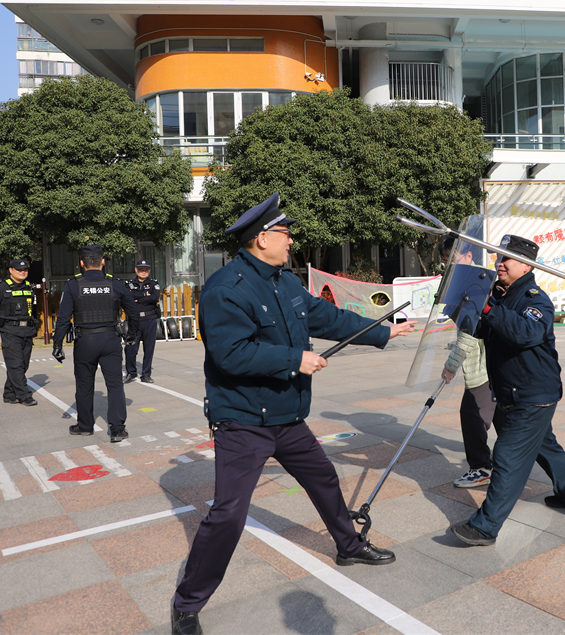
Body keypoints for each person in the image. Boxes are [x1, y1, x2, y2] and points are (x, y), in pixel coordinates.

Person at [171, 193, 417, 635]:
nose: (291, 240)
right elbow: (230, 354)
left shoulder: (284, 282)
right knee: (228, 514)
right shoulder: (225, 289)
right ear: (262, 238)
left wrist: (383, 332)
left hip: (287, 417)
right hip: (243, 421)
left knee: (323, 478)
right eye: (284, 233)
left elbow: (327, 318)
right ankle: (187, 603)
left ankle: (348, 544)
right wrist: (294, 359)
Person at [451, 235, 565, 547]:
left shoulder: (535, 299)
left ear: (526, 265)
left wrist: (488, 307)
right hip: (514, 391)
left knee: (507, 455)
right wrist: (462, 308)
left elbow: (525, 332)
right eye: (498, 257)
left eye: (506, 259)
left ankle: (485, 527)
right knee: (545, 446)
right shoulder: (502, 295)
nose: (499, 264)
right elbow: (485, 330)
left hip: (532, 394)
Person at [52, 245, 140, 442]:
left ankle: (85, 426)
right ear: (103, 262)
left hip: (85, 340)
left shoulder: (74, 285)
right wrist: (132, 334)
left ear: (82, 263)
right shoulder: (115, 284)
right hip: (110, 339)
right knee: (115, 384)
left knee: (84, 385)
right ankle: (117, 429)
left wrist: (57, 344)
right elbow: (133, 312)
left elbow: (63, 318)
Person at [439, 237, 496, 489]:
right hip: (489, 363)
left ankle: (481, 468)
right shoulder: (463, 281)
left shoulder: (476, 282)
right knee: (507, 422)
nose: (448, 265)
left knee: (471, 414)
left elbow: (468, 332)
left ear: (469, 256)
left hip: (485, 363)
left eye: (452, 259)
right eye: (444, 261)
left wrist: (451, 365)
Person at [0, 258, 40, 406]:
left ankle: (9, 393)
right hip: (10, 331)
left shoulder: (28, 286)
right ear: (10, 270)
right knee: (16, 364)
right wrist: (2, 324)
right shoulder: (0, 287)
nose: (22, 272)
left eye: (25, 270)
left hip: (27, 331)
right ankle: (24, 395)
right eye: (19, 270)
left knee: (23, 364)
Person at [123, 259, 161, 384]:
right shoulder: (129, 284)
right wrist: (145, 295)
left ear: (149, 270)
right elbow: (128, 297)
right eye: (141, 270)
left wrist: (138, 299)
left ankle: (146, 374)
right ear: (136, 270)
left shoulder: (153, 283)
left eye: (146, 270)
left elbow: (155, 297)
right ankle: (131, 372)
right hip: (134, 320)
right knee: (131, 348)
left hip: (150, 319)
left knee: (149, 349)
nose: (143, 272)